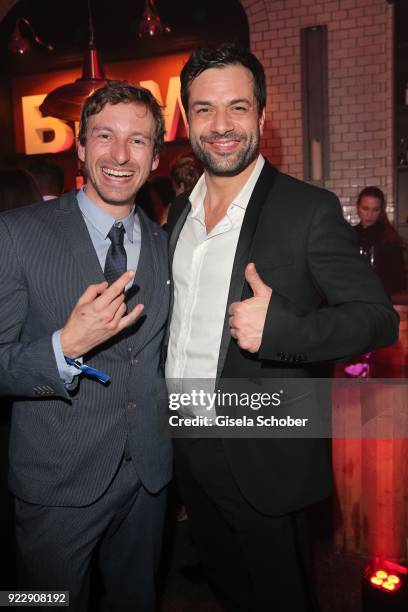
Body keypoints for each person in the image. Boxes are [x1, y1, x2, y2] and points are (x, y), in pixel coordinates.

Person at [165, 44, 399, 612]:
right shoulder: (177, 212)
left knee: (279, 596)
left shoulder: (309, 210)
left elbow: (378, 319)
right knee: (223, 584)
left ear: (263, 118)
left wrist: (285, 332)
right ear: (187, 118)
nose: (221, 125)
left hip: (260, 449)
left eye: (238, 108)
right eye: (204, 109)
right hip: (181, 441)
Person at [0, 80, 171, 612]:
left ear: (156, 156)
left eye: (138, 141)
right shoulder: (14, 233)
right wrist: (64, 347)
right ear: (79, 146)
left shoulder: (167, 244)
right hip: (56, 482)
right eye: (105, 136)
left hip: (147, 476)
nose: (120, 155)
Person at [354, 186, 407, 296]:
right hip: (353, 298)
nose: (369, 215)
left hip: (380, 299)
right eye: (365, 208)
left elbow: (399, 280)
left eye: (375, 210)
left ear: (381, 210)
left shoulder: (389, 237)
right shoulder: (349, 235)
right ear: (357, 208)